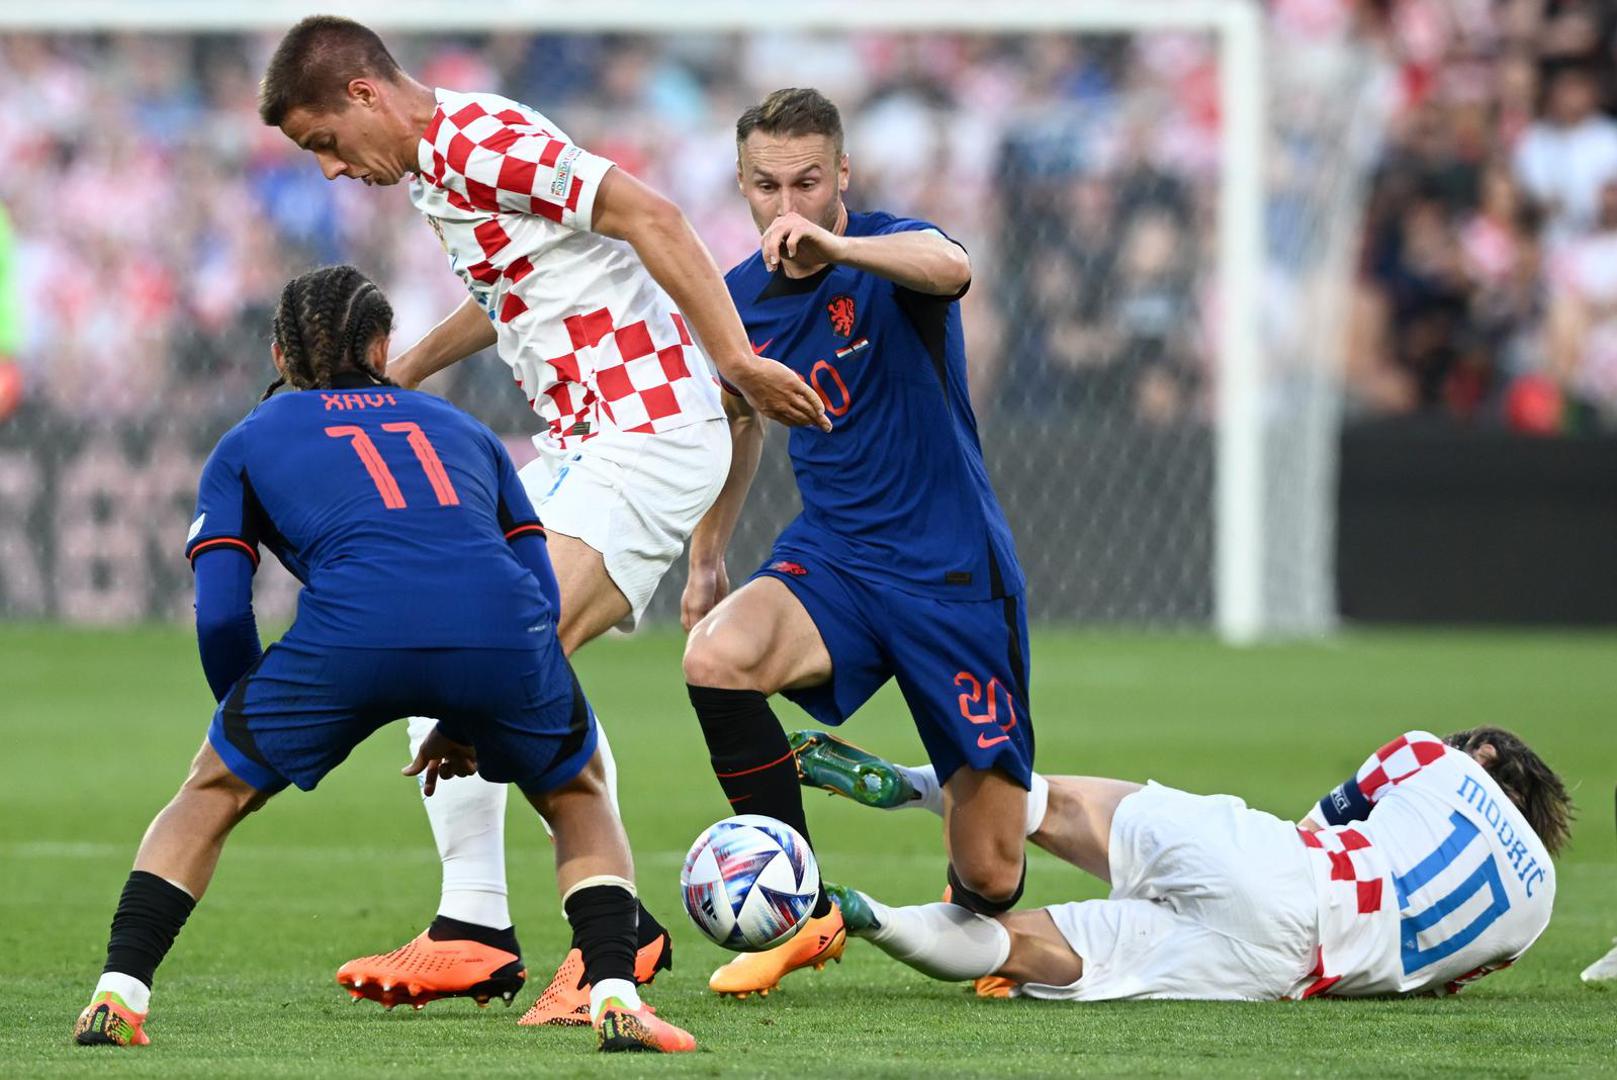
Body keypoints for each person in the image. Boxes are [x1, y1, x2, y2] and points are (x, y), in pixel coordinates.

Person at [258, 16, 829, 1025]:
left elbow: (650, 215)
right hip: (578, 447)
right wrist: (411, 367)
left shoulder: (479, 139)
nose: (334, 171)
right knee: (446, 654)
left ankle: (608, 934)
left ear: (363, 97)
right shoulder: (441, 166)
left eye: (326, 145)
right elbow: (525, 285)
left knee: (496, 658)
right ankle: (475, 929)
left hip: (645, 432)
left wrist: (736, 359)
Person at [71, 266, 694, 1054]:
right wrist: (471, 712)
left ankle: (117, 998)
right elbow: (536, 590)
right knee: (576, 791)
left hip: (347, 638)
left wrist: (247, 719)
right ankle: (613, 994)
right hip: (499, 633)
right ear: (381, 345)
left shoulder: (247, 442)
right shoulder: (460, 427)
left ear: (277, 353)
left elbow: (223, 607)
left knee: (210, 792)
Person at [679, 88, 1041, 999]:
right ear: (741, 183)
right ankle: (795, 906)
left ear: (842, 174)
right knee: (716, 657)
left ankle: (923, 784)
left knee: (992, 876)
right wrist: (708, 553)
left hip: (950, 573)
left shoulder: (888, 249)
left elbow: (952, 265)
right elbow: (737, 416)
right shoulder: (737, 299)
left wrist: (835, 246)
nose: (787, 204)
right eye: (767, 185)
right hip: (835, 558)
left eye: (808, 181)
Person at [809, 726, 1567, 1002]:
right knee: (1027, 948)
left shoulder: (1433, 755)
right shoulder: (1534, 916)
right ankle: (870, 918)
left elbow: (1318, 822)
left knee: (1057, 809)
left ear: (1487, 756)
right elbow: (1437, 983)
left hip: (1286, 867)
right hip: (1284, 971)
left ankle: (917, 786)